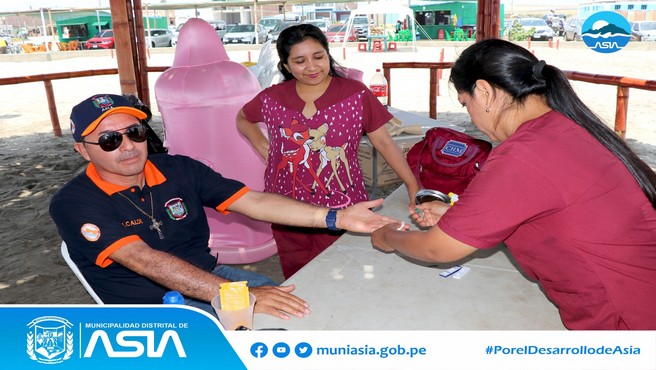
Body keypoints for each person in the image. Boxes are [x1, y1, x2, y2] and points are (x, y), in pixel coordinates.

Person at [371, 39, 656, 330]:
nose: (471, 116)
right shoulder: (563, 128)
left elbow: (437, 249)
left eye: (466, 104)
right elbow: (550, 210)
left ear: (483, 92)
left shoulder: (524, 154)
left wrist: (388, 237)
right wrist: (460, 217)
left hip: (629, 319)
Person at [50, 93, 404, 319]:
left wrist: (334, 216)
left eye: (136, 133)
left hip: (208, 278)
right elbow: (147, 261)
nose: (127, 146)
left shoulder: (178, 168)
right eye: (110, 140)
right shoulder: (74, 202)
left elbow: (252, 201)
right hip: (149, 308)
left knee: (288, 300)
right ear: (83, 149)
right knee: (263, 314)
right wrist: (242, 297)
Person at [236, 24, 420, 278]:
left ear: (328, 55)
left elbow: (385, 143)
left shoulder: (355, 94)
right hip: (285, 205)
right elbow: (243, 118)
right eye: (300, 61)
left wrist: (412, 184)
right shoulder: (272, 97)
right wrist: (262, 145)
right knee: (296, 270)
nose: (311, 67)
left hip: (344, 205)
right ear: (287, 66)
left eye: (318, 57)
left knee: (343, 269)